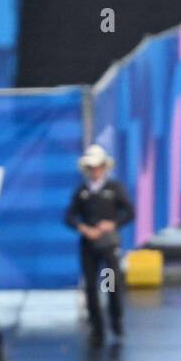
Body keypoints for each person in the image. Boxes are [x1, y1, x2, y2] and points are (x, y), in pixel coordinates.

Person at [65, 144, 134, 345]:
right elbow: (69, 216)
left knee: (111, 285)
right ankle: (97, 327)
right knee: (91, 288)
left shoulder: (114, 189)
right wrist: (84, 228)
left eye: (98, 166)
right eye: (91, 167)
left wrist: (112, 224)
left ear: (104, 167)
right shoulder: (82, 192)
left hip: (108, 247)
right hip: (89, 247)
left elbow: (130, 212)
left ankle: (116, 320)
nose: (95, 171)